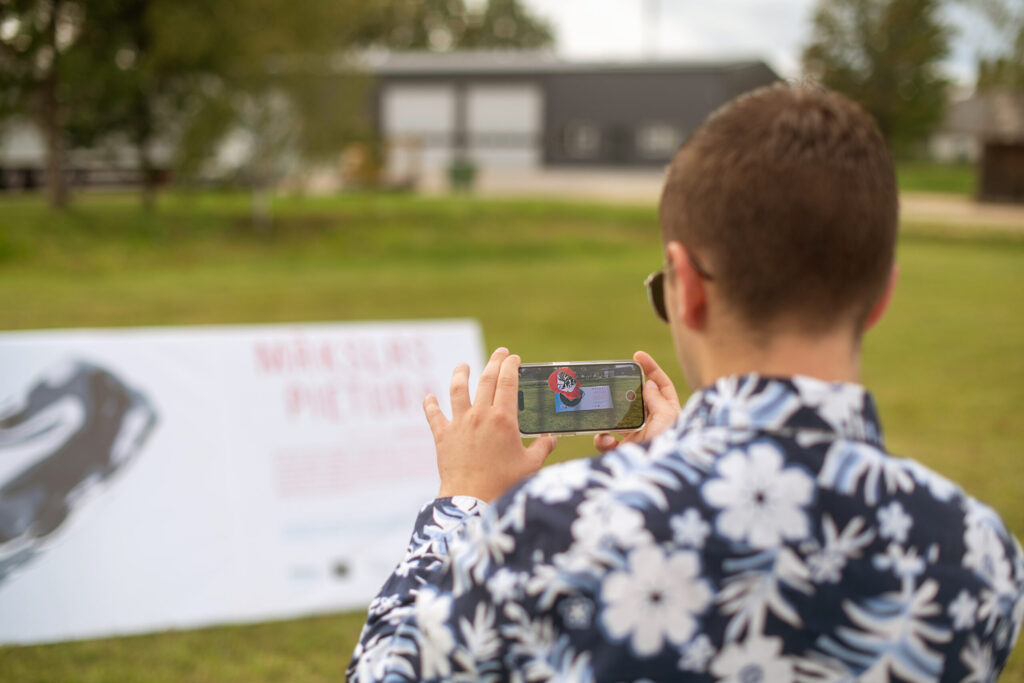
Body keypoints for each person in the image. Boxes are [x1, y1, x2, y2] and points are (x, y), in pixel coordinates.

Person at [347, 84, 1024, 681]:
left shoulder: (551, 528)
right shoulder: (979, 555)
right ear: (880, 297)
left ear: (689, 289)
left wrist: (464, 504)